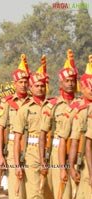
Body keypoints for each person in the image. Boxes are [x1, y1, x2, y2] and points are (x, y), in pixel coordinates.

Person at [39, 49, 78, 199]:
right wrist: (42, 158)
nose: (70, 84)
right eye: (67, 81)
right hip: (57, 153)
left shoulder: (81, 104)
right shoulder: (52, 106)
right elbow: (43, 133)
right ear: (61, 82)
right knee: (61, 191)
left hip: (77, 152)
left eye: (72, 81)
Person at [13, 55, 49, 198]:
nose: (40, 89)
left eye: (42, 86)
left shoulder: (53, 106)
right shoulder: (24, 109)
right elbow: (17, 139)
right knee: (35, 193)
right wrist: (17, 164)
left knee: (49, 192)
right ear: (31, 87)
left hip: (51, 152)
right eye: (37, 86)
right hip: (31, 153)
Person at [0, 54, 30, 198]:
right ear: (14, 84)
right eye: (20, 82)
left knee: (29, 188)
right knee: (16, 188)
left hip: (29, 148)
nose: (23, 84)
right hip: (11, 149)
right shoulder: (7, 103)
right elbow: (0, 129)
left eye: (25, 81)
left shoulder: (33, 102)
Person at [67, 55, 92, 198]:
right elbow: (75, 140)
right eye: (89, 87)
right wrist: (70, 166)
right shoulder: (81, 110)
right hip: (84, 161)